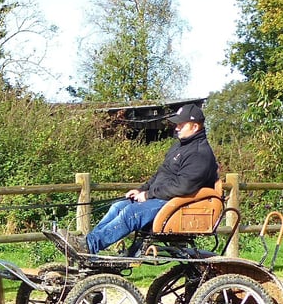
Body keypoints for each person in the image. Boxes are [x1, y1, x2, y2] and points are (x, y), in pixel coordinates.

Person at [61, 103, 218, 255]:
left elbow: (183, 187)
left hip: (176, 203)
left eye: (181, 125)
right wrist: (141, 190)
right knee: (117, 207)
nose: (176, 128)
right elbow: (160, 174)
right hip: (164, 198)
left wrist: (148, 195)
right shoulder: (180, 146)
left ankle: (89, 245)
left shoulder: (199, 154)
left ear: (195, 126)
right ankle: (88, 243)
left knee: (131, 213)